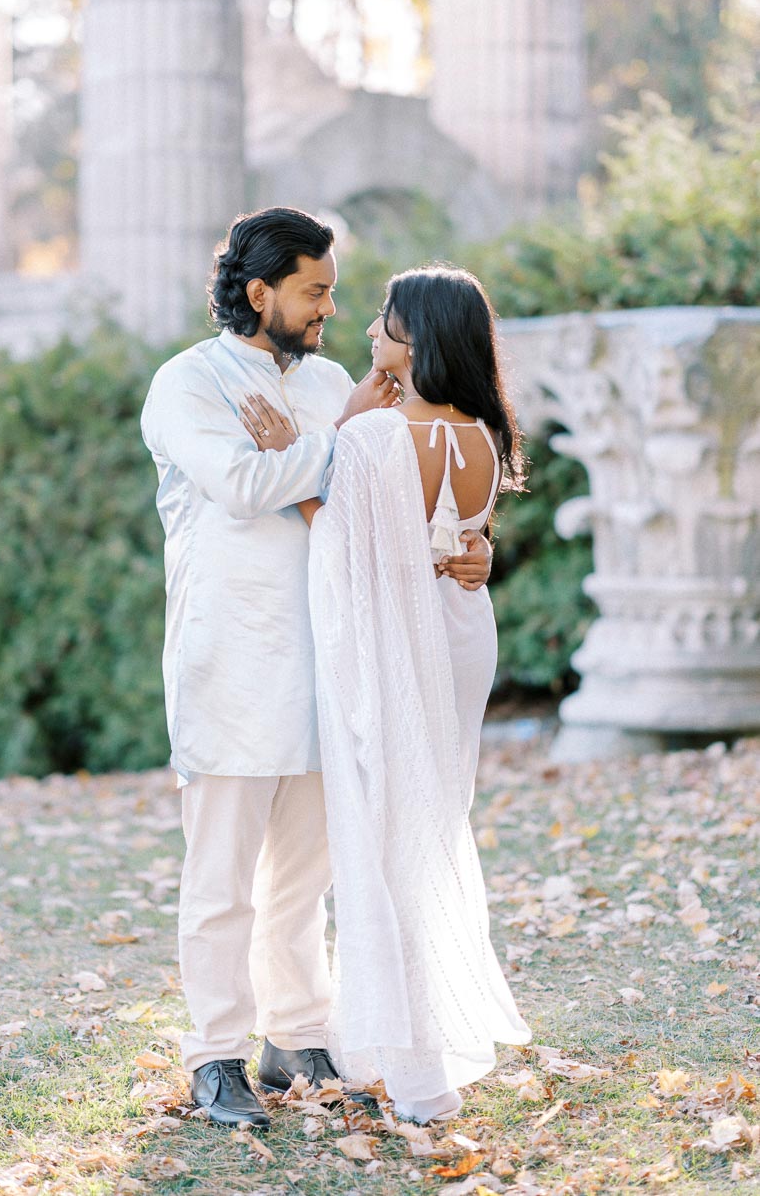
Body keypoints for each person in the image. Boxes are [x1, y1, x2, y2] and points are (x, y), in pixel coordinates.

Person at [141, 210, 495, 1129]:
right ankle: (215, 1054)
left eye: (335, 292)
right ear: (260, 293)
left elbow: (401, 493)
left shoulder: (339, 380)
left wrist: (468, 549)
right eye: (315, 290)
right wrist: (334, 438)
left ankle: (295, 1030)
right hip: (235, 659)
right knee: (221, 878)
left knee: (306, 873)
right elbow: (247, 487)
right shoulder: (189, 384)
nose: (331, 308)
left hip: (341, 666)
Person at [243, 264, 531, 1123]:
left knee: (380, 839)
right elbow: (462, 546)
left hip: (393, 651)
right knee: (433, 821)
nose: (368, 331)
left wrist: (296, 458)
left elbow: (339, 552)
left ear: (415, 339)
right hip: (458, 639)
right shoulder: (483, 432)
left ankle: (417, 1070)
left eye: (383, 321)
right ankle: (394, 1034)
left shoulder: (373, 440)